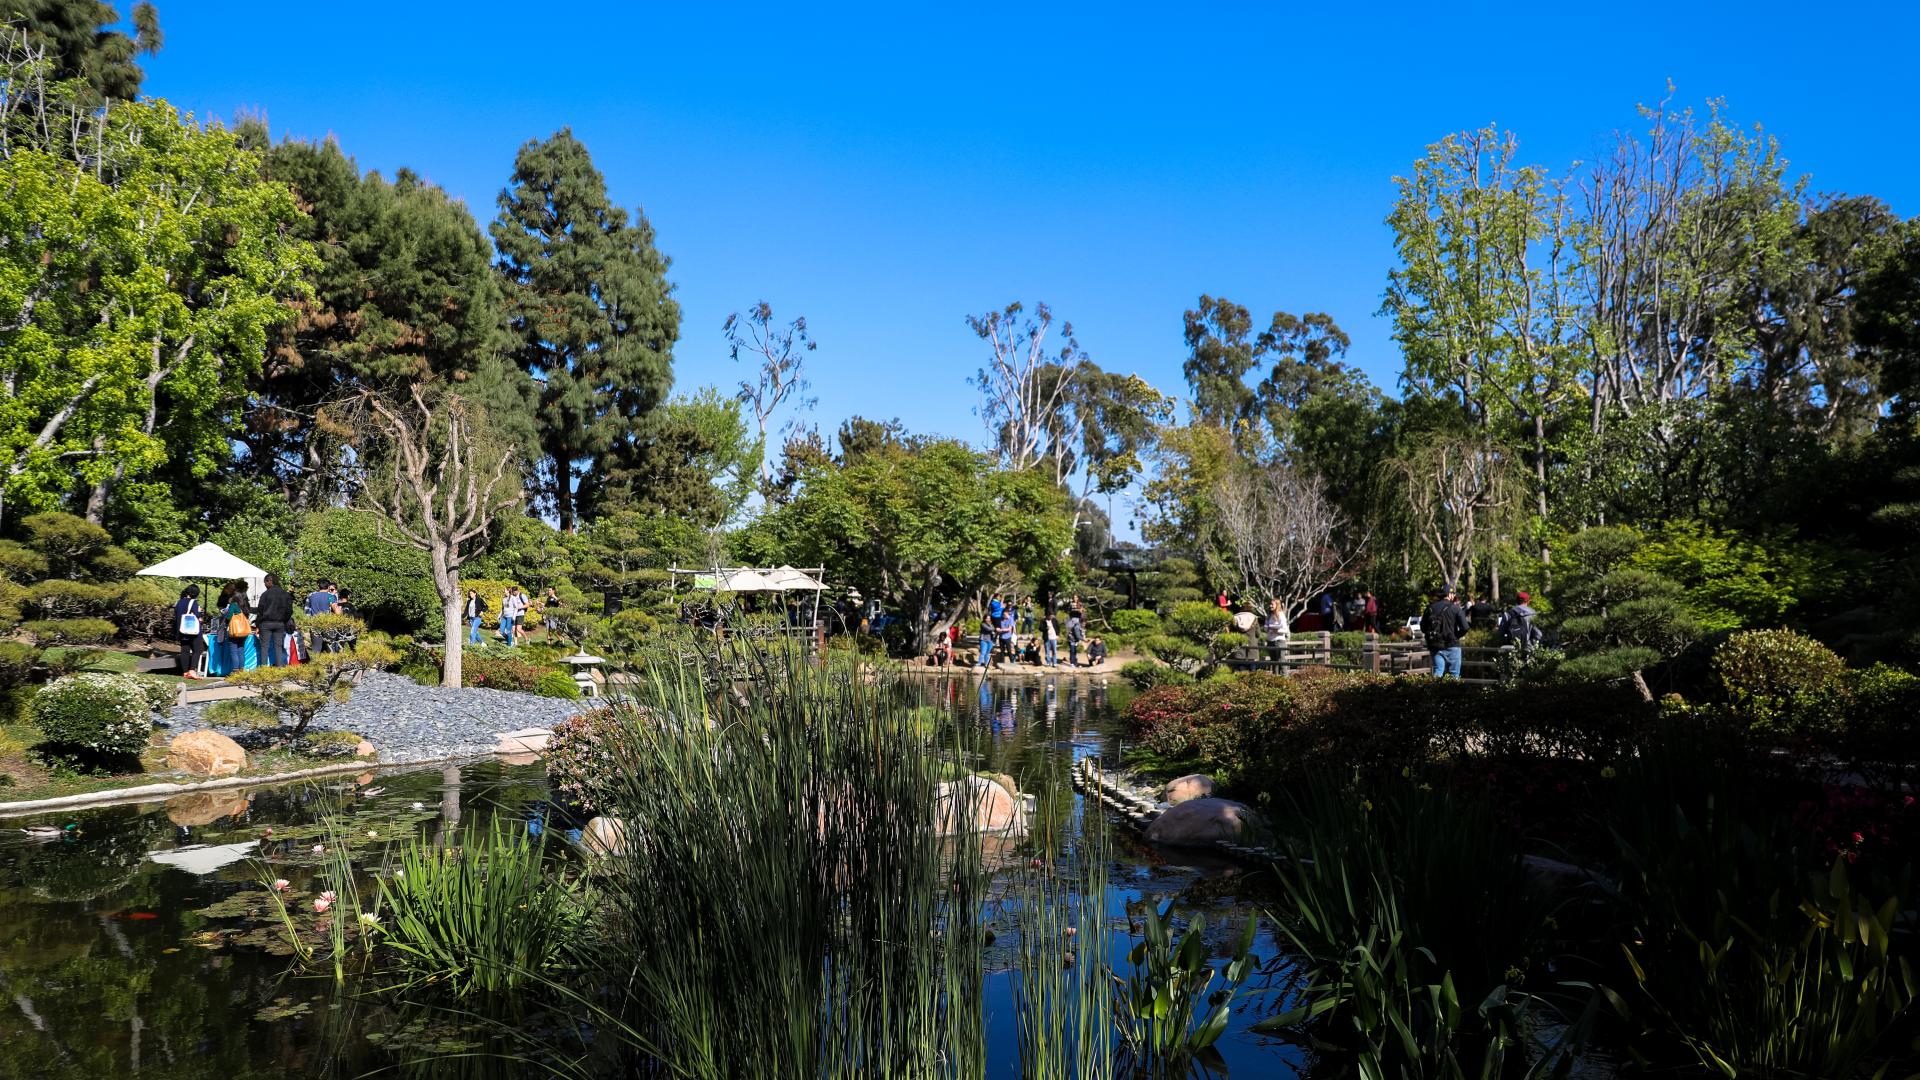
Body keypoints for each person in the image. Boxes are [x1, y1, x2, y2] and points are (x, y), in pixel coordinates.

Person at [1423, 587, 1470, 679]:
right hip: (1453, 645)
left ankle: (1435, 692)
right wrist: (1456, 636)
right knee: (1454, 675)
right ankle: (1452, 693)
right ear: (1449, 594)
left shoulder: (1430, 608)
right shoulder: (1455, 608)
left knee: (1438, 671)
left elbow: (1423, 628)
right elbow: (1465, 627)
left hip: (1436, 646)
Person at [255, 573, 295, 667]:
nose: (264, 585)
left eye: (265, 582)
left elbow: (260, 611)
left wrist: (258, 624)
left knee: (264, 647)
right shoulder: (285, 594)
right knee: (278, 646)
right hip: (280, 623)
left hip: (266, 623)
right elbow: (289, 611)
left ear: (269, 581)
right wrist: (284, 620)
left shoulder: (265, 594)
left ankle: (263, 669)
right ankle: (279, 668)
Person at [218, 580, 254, 676]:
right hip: (244, 632)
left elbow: (229, 617)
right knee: (241, 650)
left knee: (233, 651)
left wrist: (225, 622)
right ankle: (241, 671)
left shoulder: (234, 605)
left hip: (235, 632)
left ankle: (235, 671)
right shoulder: (245, 606)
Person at [174, 584, 205, 679]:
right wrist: (200, 612)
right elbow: (197, 614)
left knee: (185, 650)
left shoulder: (179, 602)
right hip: (193, 631)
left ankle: (185, 672)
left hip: (181, 629)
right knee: (198, 649)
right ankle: (192, 670)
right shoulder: (193, 602)